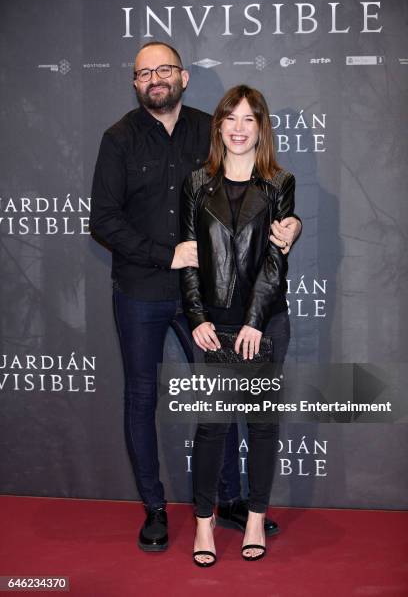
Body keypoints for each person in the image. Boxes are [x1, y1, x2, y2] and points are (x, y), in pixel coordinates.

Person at [90, 42, 301, 553]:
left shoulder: (213, 129)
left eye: (164, 69)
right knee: (141, 399)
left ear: (183, 76)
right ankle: (155, 509)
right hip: (140, 290)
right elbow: (104, 220)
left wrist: (291, 223)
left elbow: (258, 194)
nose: (155, 79)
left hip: (205, 300)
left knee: (222, 400)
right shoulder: (118, 138)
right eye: (144, 73)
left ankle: (228, 500)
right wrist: (168, 255)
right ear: (135, 82)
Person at [181, 85, 296, 566]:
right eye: (231, 118)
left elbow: (275, 259)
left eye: (250, 119)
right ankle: (204, 525)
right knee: (211, 427)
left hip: (265, 327)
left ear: (261, 127)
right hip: (214, 328)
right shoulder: (195, 184)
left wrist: (253, 323)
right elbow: (187, 257)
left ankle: (254, 517)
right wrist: (197, 318)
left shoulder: (279, 184)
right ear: (219, 126)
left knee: (263, 426)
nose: (239, 128)